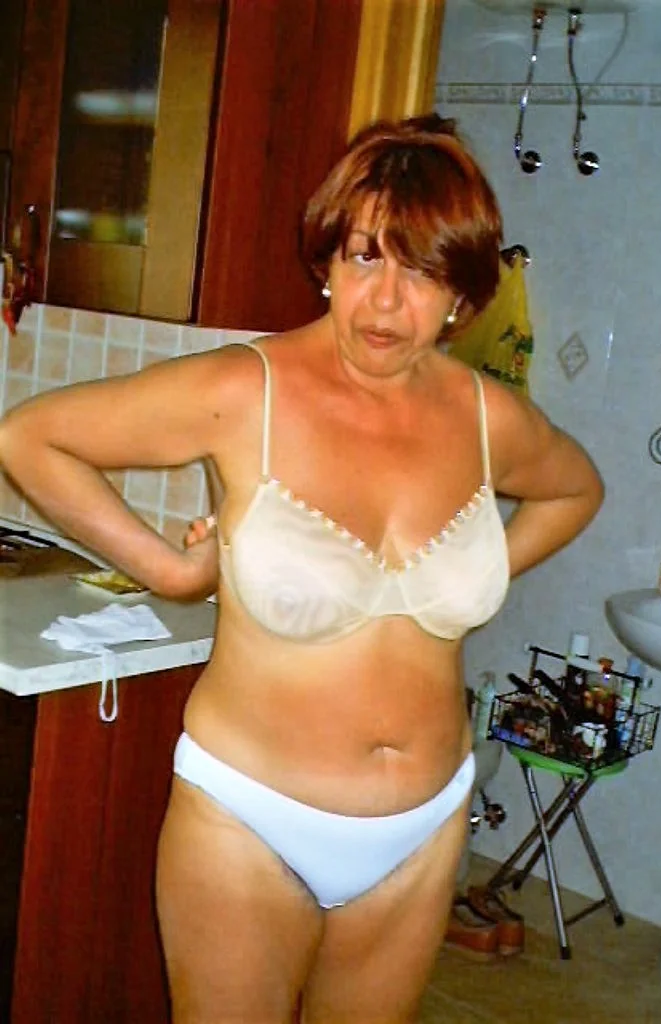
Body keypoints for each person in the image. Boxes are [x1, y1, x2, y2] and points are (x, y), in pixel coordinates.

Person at [0, 114, 603, 1023]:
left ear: (462, 294)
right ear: (326, 262)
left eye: (422, 271)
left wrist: (477, 565)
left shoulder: (488, 418)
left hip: (423, 827)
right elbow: (31, 438)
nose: (387, 302)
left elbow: (576, 490)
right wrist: (175, 573)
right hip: (251, 821)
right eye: (365, 258)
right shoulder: (245, 390)